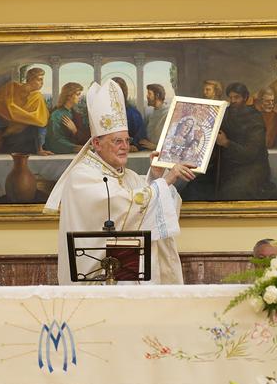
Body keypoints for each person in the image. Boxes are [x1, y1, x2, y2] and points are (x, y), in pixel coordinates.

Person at [45, 78, 196, 285]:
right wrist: (167, 181)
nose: (124, 147)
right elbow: (120, 204)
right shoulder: (82, 176)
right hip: (96, 280)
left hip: (132, 277)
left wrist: (156, 176)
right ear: (97, 144)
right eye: (117, 141)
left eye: (127, 141)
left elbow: (150, 201)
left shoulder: (129, 175)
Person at [213, 82, 277, 200]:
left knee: (232, 192)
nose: (232, 101)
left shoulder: (254, 118)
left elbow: (251, 153)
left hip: (252, 167)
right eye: (230, 97)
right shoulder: (226, 113)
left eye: (236, 97)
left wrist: (226, 143)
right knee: (196, 189)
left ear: (245, 98)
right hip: (229, 165)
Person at [0, 68, 52, 156]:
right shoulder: (35, 96)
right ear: (30, 79)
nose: (42, 83)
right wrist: (40, 149)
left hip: (10, 142)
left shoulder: (12, 87)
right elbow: (41, 123)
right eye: (39, 79)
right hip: (17, 142)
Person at [45, 82, 85, 154]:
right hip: (63, 151)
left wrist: (74, 130)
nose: (80, 97)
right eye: (77, 94)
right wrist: (75, 148)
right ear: (69, 96)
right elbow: (54, 140)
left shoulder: (76, 114)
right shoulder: (56, 115)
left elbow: (83, 136)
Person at [112, 77, 148, 151]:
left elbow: (140, 135)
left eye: (118, 90)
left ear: (123, 92)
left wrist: (134, 145)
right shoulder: (103, 112)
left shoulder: (133, 113)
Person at [142, 84, 168, 149]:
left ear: (157, 95)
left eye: (149, 94)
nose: (147, 96)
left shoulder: (167, 113)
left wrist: (155, 147)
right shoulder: (150, 113)